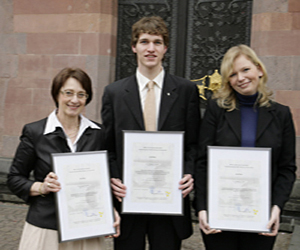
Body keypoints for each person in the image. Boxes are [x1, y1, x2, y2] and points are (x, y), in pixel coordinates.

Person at [101, 16, 200, 250]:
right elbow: (108, 147)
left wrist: (189, 173)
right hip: (128, 199)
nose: (151, 48)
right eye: (144, 42)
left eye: (157, 42)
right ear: (134, 47)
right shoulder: (114, 93)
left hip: (170, 199)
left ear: (165, 48)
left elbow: (194, 144)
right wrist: (113, 178)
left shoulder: (186, 91)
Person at [194, 44, 296, 250]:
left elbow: (287, 168)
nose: (240, 78)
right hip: (219, 214)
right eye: (232, 74)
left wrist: (276, 208)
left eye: (245, 70)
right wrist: (202, 208)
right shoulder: (216, 110)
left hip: (261, 216)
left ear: (259, 69)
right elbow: (202, 161)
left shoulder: (281, 114)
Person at [7, 68, 120, 250]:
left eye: (81, 94)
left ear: (87, 98)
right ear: (56, 94)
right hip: (46, 227)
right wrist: (41, 187)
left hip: (88, 227)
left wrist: (110, 210)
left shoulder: (100, 134)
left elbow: (103, 181)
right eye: (68, 93)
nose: (74, 100)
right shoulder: (35, 132)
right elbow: (14, 178)